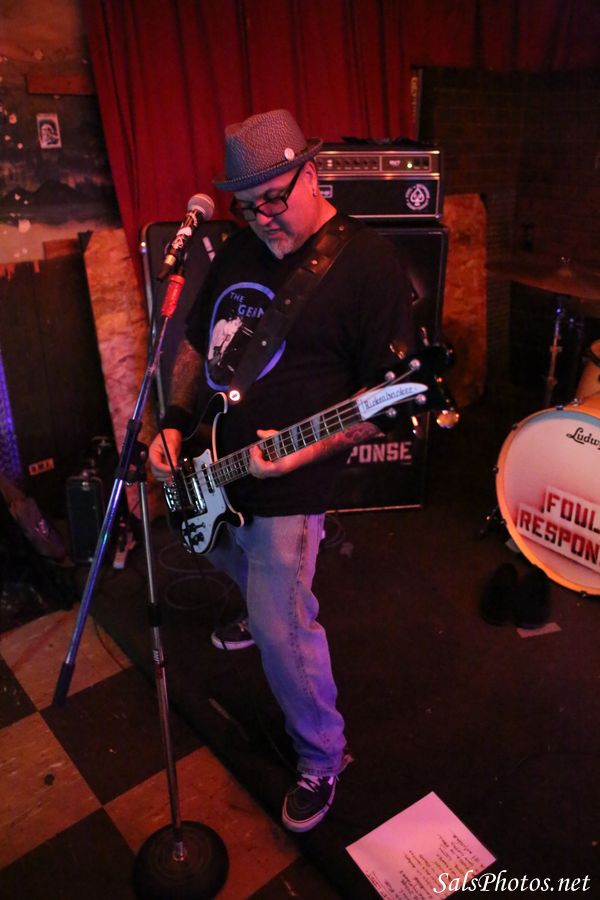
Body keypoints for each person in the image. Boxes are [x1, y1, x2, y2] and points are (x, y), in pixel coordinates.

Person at [149, 109, 414, 832]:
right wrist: (173, 421)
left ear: (312, 172)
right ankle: (259, 602)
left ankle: (323, 755)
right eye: (248, 204)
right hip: (214, 457)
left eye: (275, 197)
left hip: (289, 479)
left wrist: (305, 450)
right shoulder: (240, 246)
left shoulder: (369, 266)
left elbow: (390, 399)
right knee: (215, 545)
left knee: (282, 625)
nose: (263, 217)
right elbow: (195, 344)